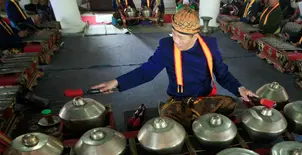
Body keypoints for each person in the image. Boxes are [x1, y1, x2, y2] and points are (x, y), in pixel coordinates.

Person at [93, 6, 256, 129]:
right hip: (179, 102)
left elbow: (223, 75)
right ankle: (195, 121)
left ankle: (196, 119)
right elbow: (146, 72)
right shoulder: (166, 47)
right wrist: (116, 82)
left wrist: (240, 89)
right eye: (174, 33)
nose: (175, 40)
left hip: (204, 99)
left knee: (231, 103)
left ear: (195, 35)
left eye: (181, 37)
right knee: (167, 118)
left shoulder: (210, 46)